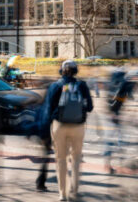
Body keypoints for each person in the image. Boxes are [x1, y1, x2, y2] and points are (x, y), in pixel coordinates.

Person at [44, 60, 93, 201]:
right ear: (76, 71)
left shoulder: (56, 85)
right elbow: (90, 107)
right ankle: (74, 189)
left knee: (61, 159)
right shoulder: (82, 86)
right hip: (78, 126)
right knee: (76, 158)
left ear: (61, 71)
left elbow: (48, 110)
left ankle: (62, 194)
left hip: (59, 126)